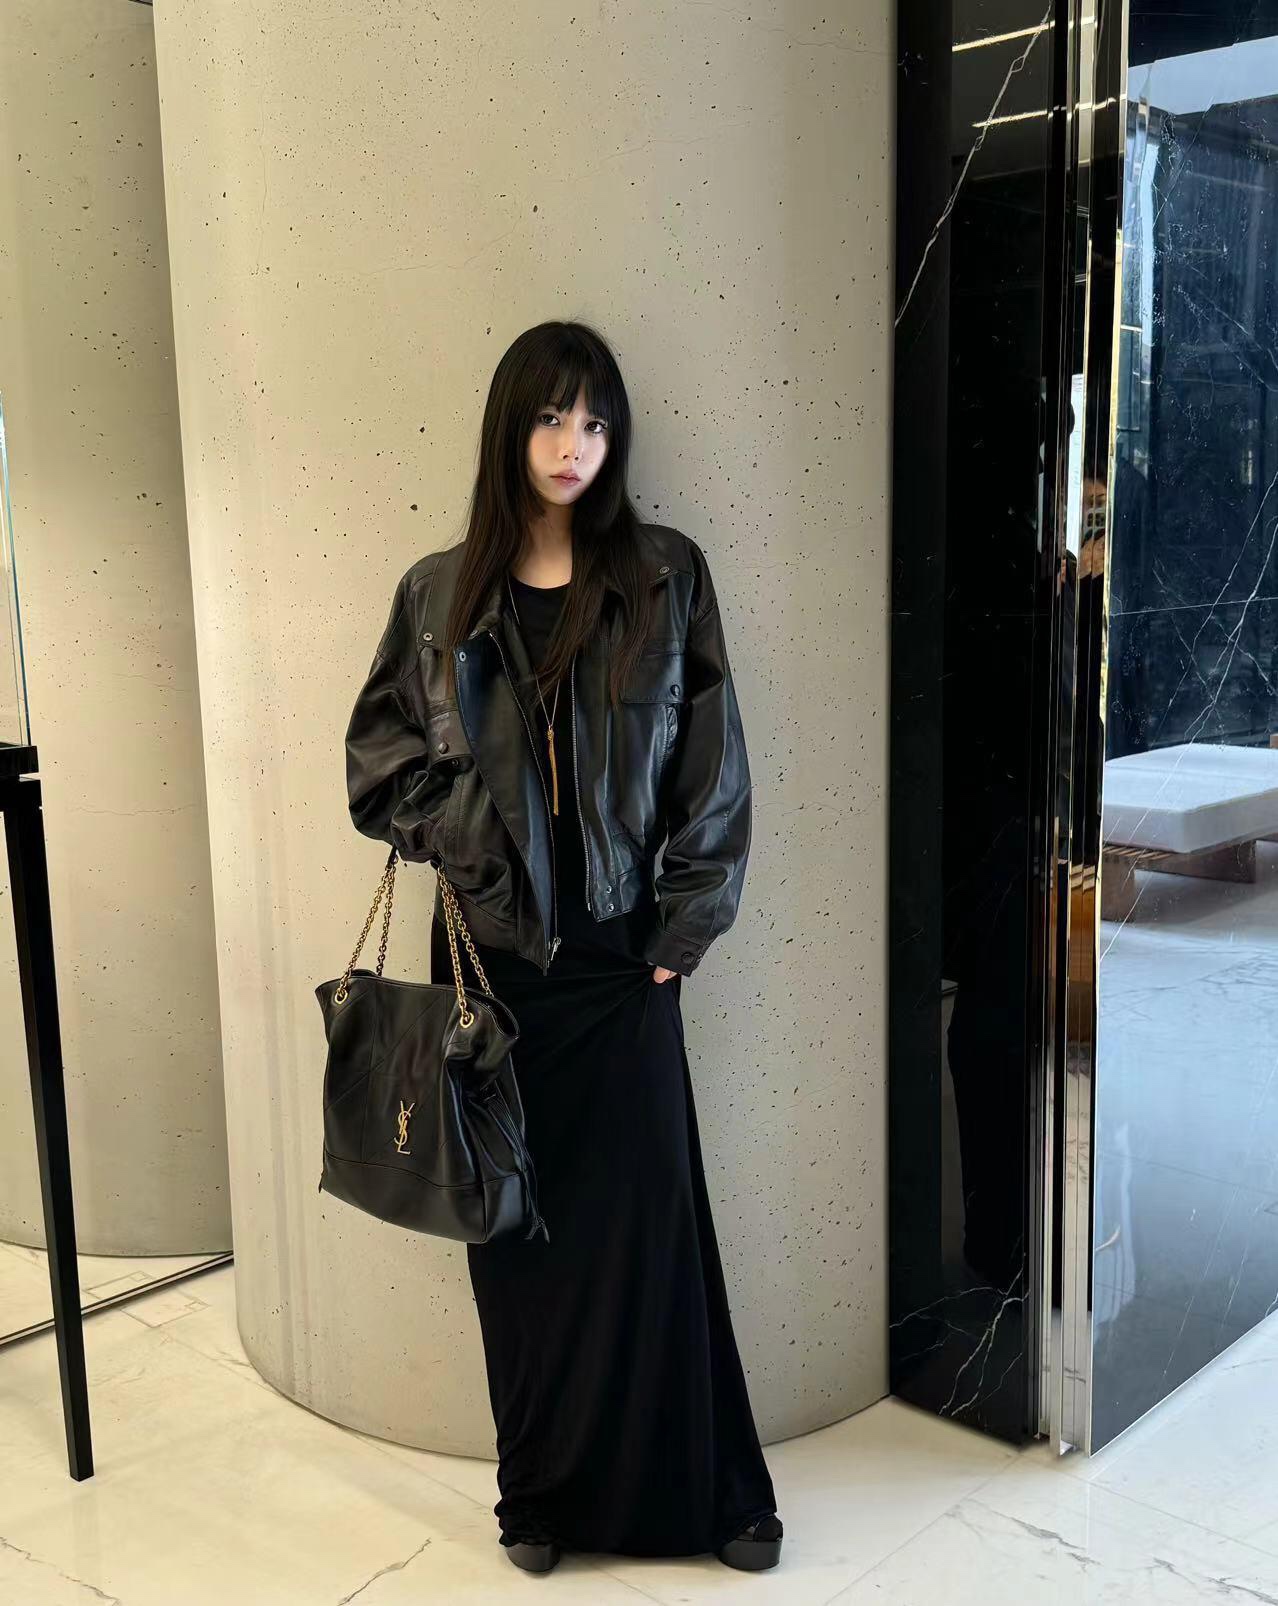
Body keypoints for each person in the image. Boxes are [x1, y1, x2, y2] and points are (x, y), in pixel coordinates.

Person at [343, 320, 783, 1573]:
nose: (573, 444)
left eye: (593, 420)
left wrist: (682, 928)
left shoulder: (663, 574)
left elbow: (714, 767)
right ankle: (533, 1495)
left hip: (625, 958)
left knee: (654, 1225)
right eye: (550, 417)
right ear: (511, 428)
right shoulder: (437, 594)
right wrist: (475, 845)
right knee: (515, 1236)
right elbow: (379, 771)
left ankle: (711, 1492)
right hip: (490, 964)